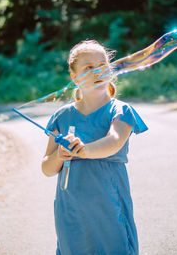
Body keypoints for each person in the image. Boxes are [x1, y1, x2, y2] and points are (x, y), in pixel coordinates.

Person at [41, 40, 148, 255]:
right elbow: (46, 167)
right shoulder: (61, 117)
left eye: (102, 65)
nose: (97, 71)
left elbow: (114, 141)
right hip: (70, 209)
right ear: (74, 76)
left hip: (109, 204)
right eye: (88, 68)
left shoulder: (120, 110)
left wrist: (85, 150)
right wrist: (61, 155)